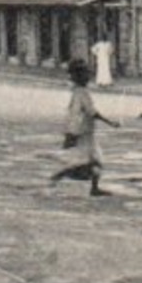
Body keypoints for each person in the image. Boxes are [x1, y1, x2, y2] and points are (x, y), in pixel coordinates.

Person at [50, 59, 120, 196]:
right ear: (79, 76)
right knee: (93, 161)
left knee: (86, 160)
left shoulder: (76, 92)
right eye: (85, 74)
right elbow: (92, 112)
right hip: (83, 133)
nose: (88, 76)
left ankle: (65, 178)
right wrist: (111, 122)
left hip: (79, 132)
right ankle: (61, 177)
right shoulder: (83, 93)